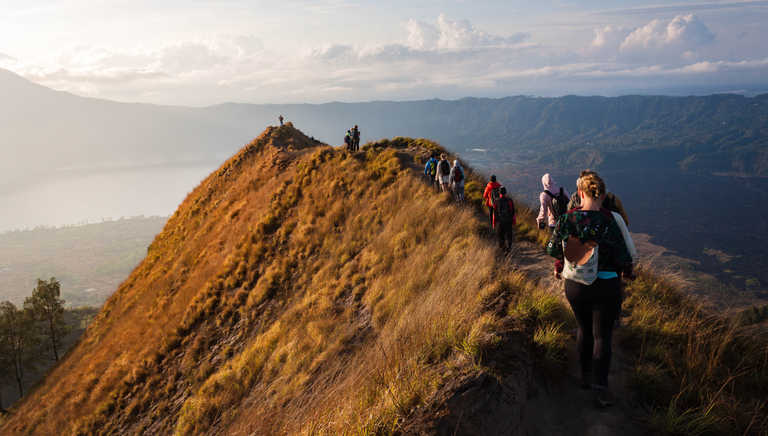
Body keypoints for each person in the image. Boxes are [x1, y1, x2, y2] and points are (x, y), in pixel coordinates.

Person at [546, 172, 633, 408]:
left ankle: (584, 378)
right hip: (606, 286)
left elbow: (552, 249)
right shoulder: (610, 221)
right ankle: (600, 389)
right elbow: (625, 258)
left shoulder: (567, 219)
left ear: (580, 194)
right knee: (602, 336)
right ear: (603, 195)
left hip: (576, 286)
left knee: (583, 330)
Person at [494, 187, 516, 252]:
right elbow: (513, 211)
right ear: (505, 192)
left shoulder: (496, 201)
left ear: (499, 193)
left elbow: (495, 213)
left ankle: (503, 248)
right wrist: (512, 220)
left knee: (500, 235)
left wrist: (495, 222)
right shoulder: (510, 200)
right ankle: (509, 247)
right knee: (509, 234)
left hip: (500, 222)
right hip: (508, 220)